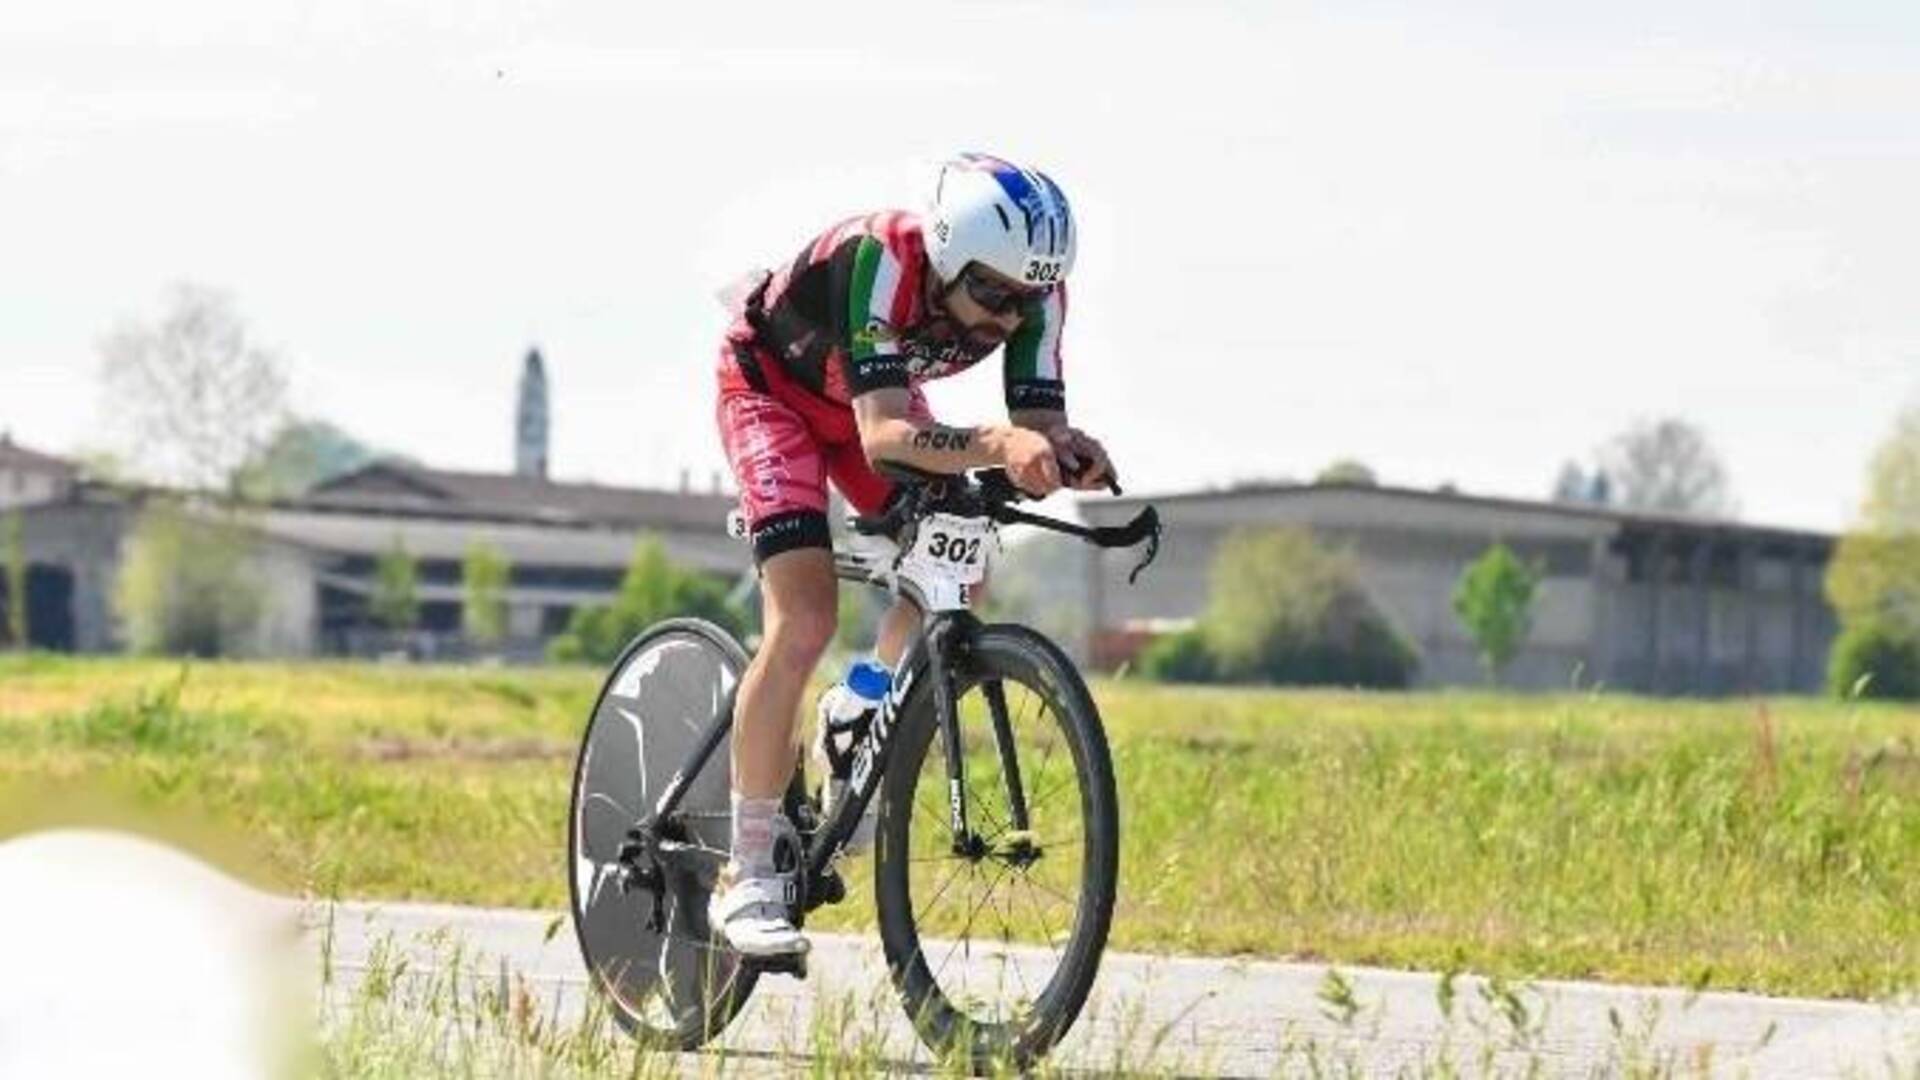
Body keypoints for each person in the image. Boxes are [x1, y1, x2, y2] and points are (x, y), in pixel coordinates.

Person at [709, 153, 1116, 957]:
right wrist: (997, 443)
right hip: (774, 394)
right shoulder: (879, 261)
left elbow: (1035, 416)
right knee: (804, 616)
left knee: (957, 554)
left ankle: (858, 703)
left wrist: (1061, 448)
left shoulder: (1031, 290)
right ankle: (747, 873)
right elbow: (885, 434)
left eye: (1027, 299)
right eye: (992, 294)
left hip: (867, 402)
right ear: (943, 254)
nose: (1009, 318)